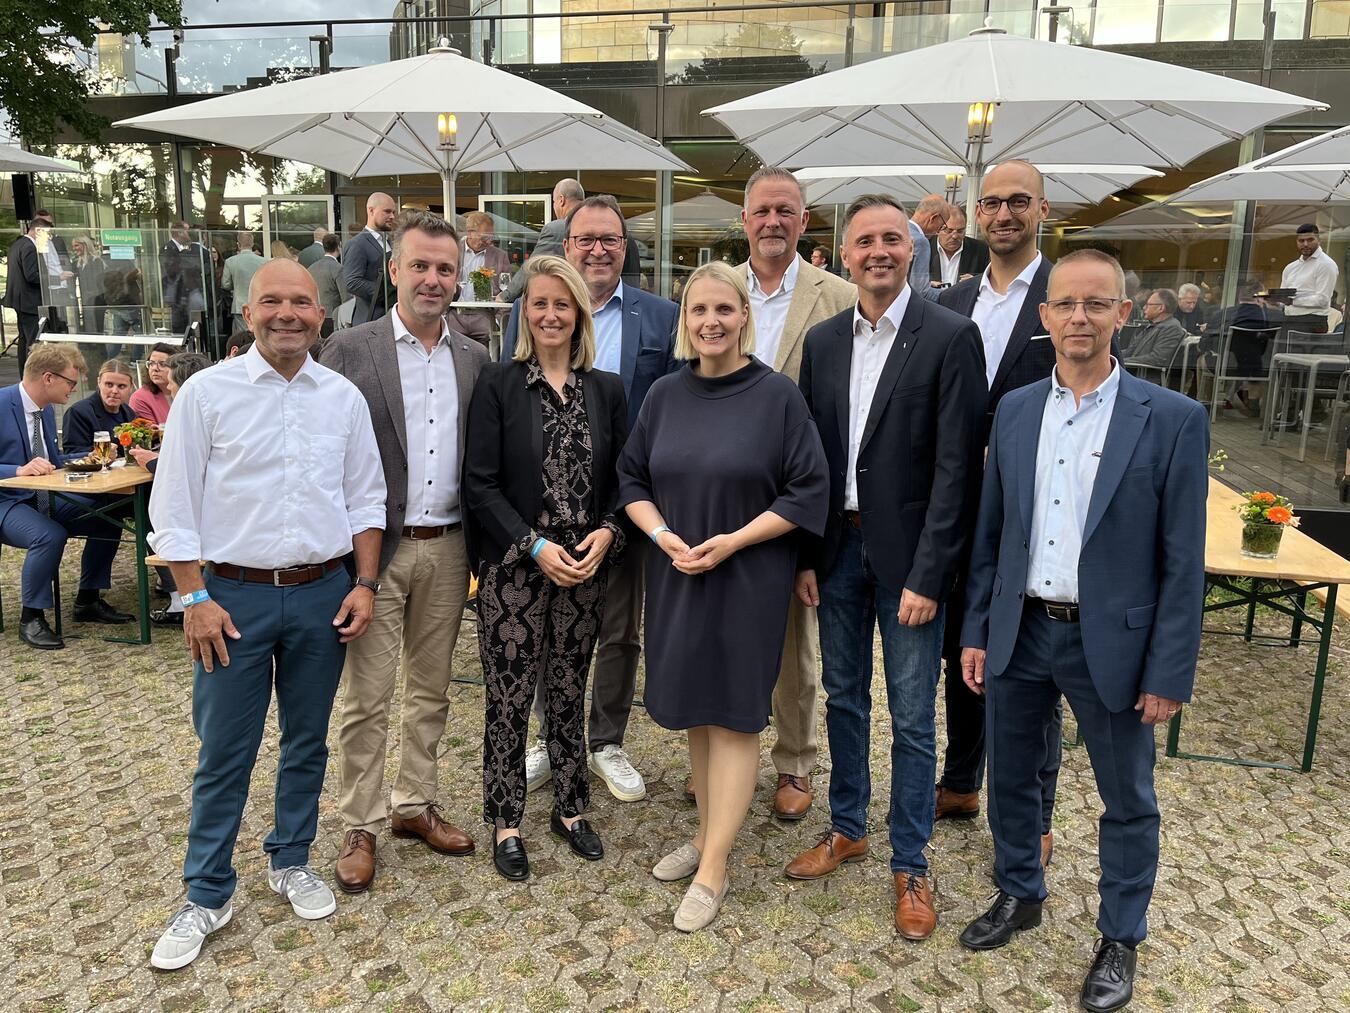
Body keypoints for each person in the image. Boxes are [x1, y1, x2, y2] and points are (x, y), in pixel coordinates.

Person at [957, 249, 1208, 1013]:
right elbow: (992, 533)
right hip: (1021, 630)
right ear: (1044, 317)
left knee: (1126, 796)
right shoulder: (1018, 409)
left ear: (1123, 315)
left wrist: (1169, 670)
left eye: (1097, 304)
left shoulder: (1172, 420)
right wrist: (976, 626)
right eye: (1066, 304)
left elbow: (1181, 559)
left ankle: (1119, 935)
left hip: (1117, 645)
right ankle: (1019, 892)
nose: (1080, 318)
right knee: (1013, 781)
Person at [146, 259, 386, 972]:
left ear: (321, 315)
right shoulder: (206, 394)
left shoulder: (341, 397)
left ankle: (290, 857)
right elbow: (174, 505)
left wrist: (365, 582)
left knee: (308, 739)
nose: (289, 313)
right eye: (273, 301)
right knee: (225, 748)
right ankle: (207, 889)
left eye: (302, 302)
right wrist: (193, 597)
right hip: (232, 595)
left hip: (322, 590)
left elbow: (366, 498)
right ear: (248, 313)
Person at [787, 194, 984, 943]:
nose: (878, 250)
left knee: (909, 716)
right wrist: (807, 554)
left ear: (913, 249)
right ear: (843, 252)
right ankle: (847, 827)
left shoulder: (949, 336)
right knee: (842, 698)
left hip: (910, 563)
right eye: (864, 239)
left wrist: (931, 575)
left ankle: (911, 861)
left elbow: (956, 469)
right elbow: (810, 461)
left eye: (891, 239)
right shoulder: (827, 339)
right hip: (836, 551)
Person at [617, 260, 828, 931]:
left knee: (734, 715)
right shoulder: (664, 395)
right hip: (678, 571)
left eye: (724, 310)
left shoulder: (777, 397)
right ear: (687, 321)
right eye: (699, 311)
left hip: (748, 578)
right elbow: (631, 479)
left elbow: (806, 490)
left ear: (746, 316)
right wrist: (663, 536)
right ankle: (710, 834)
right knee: (695, 711)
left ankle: (714, 867)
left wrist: (734, 541)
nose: (711, 322)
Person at [320, 210, 489, 894]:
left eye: (445, 268)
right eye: (419, 265)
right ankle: (358, 819)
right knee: (367, 694)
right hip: (375, 553)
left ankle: (413, 804)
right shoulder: (350, 349)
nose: (432, 278)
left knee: (432, 688)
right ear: (393, 269)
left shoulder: (476, 355)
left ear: (458, 276)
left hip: (449, 547)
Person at [501, 195, 679, 803]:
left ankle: (604, 739)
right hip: (545, 509)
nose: (598, 249)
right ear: (567, 247)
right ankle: (553, 740)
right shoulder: (532, 312)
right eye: (586, 239)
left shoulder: (663, 316)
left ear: (624, 250)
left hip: (625, 506)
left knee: (621, 629)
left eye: (610, 239)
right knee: (550, 628)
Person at [463, 255, 628, 882]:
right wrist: (534, 546)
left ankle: (571, 806)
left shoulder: (606, 389)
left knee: (568, 687)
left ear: (579, 313)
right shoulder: (499, 385)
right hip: (516, 564)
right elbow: (479, 484)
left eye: (563, 304)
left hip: (585, 563)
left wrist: (608, 535)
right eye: (540, 304)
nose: (551, 315)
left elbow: (626, 480)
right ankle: (506, 818)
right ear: (524, 314)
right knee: (507, 695)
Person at [935, 160, 1067, 851]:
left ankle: (1035, 814)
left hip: (1032, 507)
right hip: (958, 505)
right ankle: (960, 780)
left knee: (1025, 660)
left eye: (1019, 201)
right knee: (964, 642)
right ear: (976, 214)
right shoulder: (953, 301)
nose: (1004, 213)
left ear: (1043, 208)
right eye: (992, 202)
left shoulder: (1065, 296)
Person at [734, 166, 856, 820]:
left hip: (797, 498)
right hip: (722, 495)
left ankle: (796, 762)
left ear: (804, 221)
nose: (773, 221)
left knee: (794, 641)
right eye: (762, 210)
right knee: (724, 630)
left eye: (786, 210)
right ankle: (725, 750)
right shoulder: (717, 289)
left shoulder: (837, 296)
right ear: (745, 220)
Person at [0, 343, 133, 650]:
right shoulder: (3, 403)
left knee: (108, 513)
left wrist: (88, 458)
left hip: (42, 497)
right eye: (71, 382)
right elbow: (27, 466)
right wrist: (18, 470)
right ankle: (31, 617)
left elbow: (52, 458)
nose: (74, 390)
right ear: (49, 378)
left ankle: (88, 599)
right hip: (7, 501)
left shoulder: (44, 411)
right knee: (49, 535)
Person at [499, 178, 584, 304]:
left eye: (554, 202)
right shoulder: (596, 225)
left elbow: (532, 268)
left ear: (561, 200)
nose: (554, 207)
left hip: (565, 300)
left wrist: (505, 296)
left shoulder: (556, 228)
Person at [343, 193, 398, 325]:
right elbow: (351, 282)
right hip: (370, 319)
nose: (392, 216)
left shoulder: (391, 241)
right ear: (371, 210)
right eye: (387, 211)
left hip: (389, 318)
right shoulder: (357, 244)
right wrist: (385, 292)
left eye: (393, 212)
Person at [61, 358, 135, 455]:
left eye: (121, 386)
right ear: (99, 382)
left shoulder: (129, 413)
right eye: (109, 384)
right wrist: (100, 453)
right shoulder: (79, 412)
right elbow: (72, 454)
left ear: (131, 388)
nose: (114, 391)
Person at [3, 218, 50, 364]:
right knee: (32, 340)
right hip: (29, 301)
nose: (48, 237)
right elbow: (31, 275)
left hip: (19, 300)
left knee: (24, 340)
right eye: (47, 233)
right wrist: (52, 278)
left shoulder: (17, 244)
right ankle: (31, 374)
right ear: (38, 231)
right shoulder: (29, 247)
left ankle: (25, 374)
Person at [1278, 224, 1338, 333]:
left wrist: (1292, 301)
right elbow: (1283, 296)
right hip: (1288, 319)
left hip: (1313, 321)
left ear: (1319, 240)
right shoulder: (1290, 267)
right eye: (1301, 241)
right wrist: (1273, 299)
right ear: (1297, 242)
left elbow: (1322, 299)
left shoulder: (1326, 264)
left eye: (1310, 240)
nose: (1305, 244)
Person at [1124, 288, 1186, 371]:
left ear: (1160, 308)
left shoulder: (1172, 328)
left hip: (1145, 376)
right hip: (1133, 370)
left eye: (1149, 304)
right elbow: (1130, 351)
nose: (1144, 307)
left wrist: (1122, 361)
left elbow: (1157, 359)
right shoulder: (1152, 325)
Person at [929, 207, 989, 290]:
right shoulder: (923, 247)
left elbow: (994, 279)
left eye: (960, 231)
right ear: (937, 229)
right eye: (949, 231)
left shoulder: (982, 250)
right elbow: (909, 279)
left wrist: (977, 281)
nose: (954, 236)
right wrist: (925, 285)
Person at [220, 232, 266, 334]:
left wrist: (235, 286)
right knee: (259, 334)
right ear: (252, 243)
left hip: (240, 305)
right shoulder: (264, 261)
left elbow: (225, 284)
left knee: (242, 337)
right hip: (260, 303)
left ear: (238, 244)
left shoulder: (230, 261)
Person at [307, 233, 347, 345]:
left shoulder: (312, 267)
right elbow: (345, 297)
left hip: (315, 315)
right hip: (333, 317)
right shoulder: (338, 268)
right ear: (338, 247)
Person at [906, 194, 950, 293]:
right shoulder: (920, 242)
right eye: (942, 226)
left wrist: (928, 283)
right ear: (933, 218)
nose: (938, 232)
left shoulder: (898, 231)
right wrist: (952, 293)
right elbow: (921, 293)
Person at [129, 342, 178, 424]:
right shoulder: (140, 398)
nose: (155, 368)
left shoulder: (184, 391)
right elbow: (152, 434)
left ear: (176, 367)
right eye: (151, 363)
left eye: (162, 364)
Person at [69, 234, 107, 335]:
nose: (74, 249)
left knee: (96, 327)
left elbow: (98, 283)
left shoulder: (96, 261)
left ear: (85, 245)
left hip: (95, 301)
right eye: (73, 246)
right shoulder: (76, 263)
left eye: (76, 245)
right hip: (83, 300)